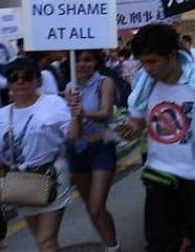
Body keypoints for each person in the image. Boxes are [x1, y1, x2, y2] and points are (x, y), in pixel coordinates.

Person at [120, 24, 195, 252]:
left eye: (153, 61)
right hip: (159, 175)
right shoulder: (145, 85)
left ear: (172, 55)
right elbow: (138, 123)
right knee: (159, 244)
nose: (148, 68)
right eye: (143, 62)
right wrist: (127, 129)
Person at [0, 57, 72, 251]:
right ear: (9, 83)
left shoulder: (53, 103)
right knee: (42, 241)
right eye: (14, 78)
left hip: (52, 177)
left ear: (37, 80)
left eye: (27, 76)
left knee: (45, 241)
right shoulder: (2, 114)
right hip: (20, 181)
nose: (20, 81)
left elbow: (73, 136)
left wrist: (78, 115)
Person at [65, 50, 119, 252]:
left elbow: (105, 113)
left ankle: (113, 247)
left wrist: (83, 112)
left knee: (96, 206)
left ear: (96, 61)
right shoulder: (71, 86)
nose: (82, 64)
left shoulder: (104, 82)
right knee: (92, 208)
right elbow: (71, 125)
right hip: (77, 150)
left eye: (87, 59)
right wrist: (75, 116)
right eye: (77, 60)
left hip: (101, 148)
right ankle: (109, 242)